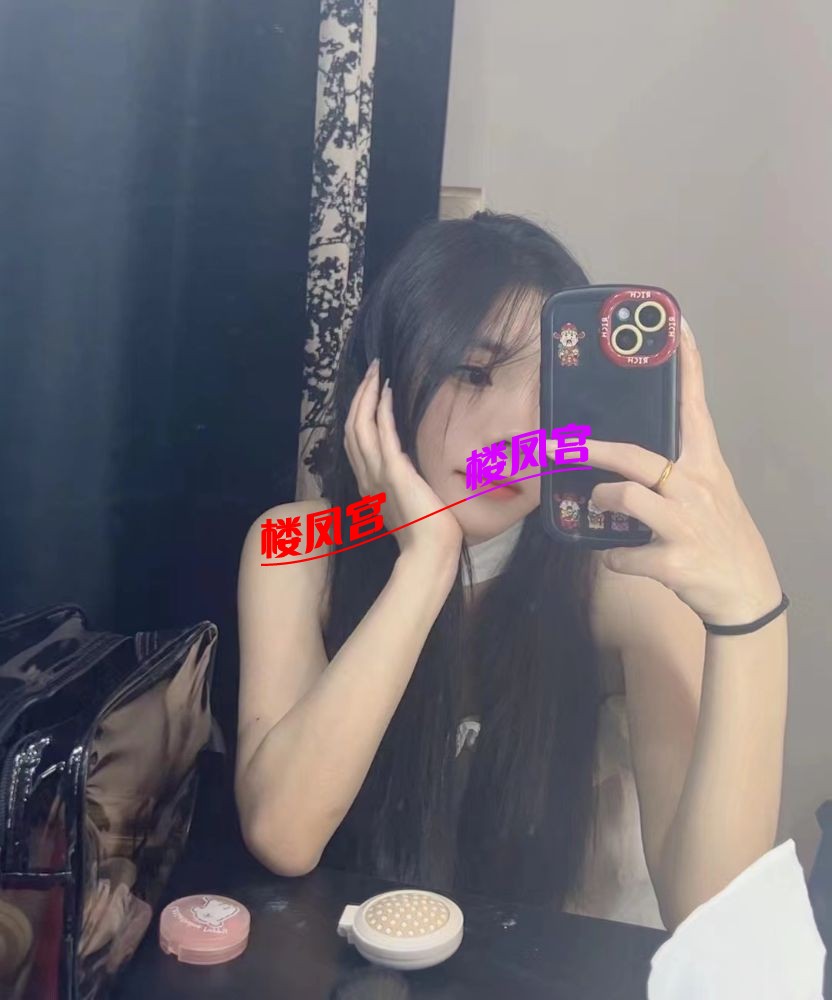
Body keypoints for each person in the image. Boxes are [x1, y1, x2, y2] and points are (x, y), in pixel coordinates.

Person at [234, 212, 789, 932]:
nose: (515, 434)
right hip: (338, 957)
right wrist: (425, 563)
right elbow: (283, 834)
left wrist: (751, 611)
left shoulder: (618, 575)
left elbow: (711, 916)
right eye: (473, 373)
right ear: (386, 377)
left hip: (541, 965)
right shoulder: (297, 542)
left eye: (550, 393)